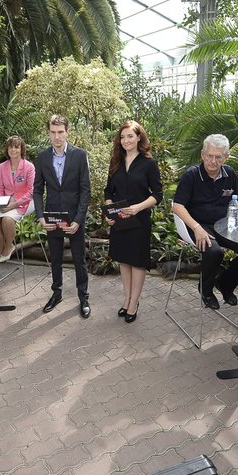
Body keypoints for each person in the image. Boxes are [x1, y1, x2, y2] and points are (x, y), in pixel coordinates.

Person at [172, 134, 238, 310]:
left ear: (225, 157)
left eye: (218, 157)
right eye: (209, 156)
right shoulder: (191, 175)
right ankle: (205, 290)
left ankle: (225, 284)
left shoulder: (230, 173)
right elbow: (177, 206)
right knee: (214, 252)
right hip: (197, 224)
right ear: (203, 154)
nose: (213, 161)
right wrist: (196, 228)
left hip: (224, 225)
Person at [33, 114, 92, 318]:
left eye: (60, 132)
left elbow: (86, 190)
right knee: (55, 259)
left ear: (67, 132)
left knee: (78, 260)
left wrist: (78, 220)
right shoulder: (42, 158)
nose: (57, 136)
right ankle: (56, 294)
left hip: (74, 218)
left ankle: (83, 298)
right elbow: (38, 190)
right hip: (52, 218)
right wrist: (40, 216)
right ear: (49, 133)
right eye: (53, 132)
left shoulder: (79, 155)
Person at [104, 121, 163, 323]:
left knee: (137, 262)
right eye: (122, 137)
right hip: (120, 221)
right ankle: (127, 297)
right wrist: (110, 212)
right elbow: (107, 191)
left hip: (139, 221)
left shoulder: (149, 163)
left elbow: (158, 194)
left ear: (139, 137)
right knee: (123, 260)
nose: (126, 140)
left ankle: (134, 301)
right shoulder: (116, 162)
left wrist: (138, 207)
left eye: (130, 136)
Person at [0, 135, 36, 262]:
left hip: (24, 202)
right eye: (10, 147)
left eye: (16, 147)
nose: (13, 150)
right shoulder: (2, 167)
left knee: (7, 220)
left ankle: (9, 246)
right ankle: (2, 247)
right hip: (5, 201)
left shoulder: (29, 167)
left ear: (21, 149)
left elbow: (32, 191)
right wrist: (0, 203)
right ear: (7, 149)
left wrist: (14, 204)